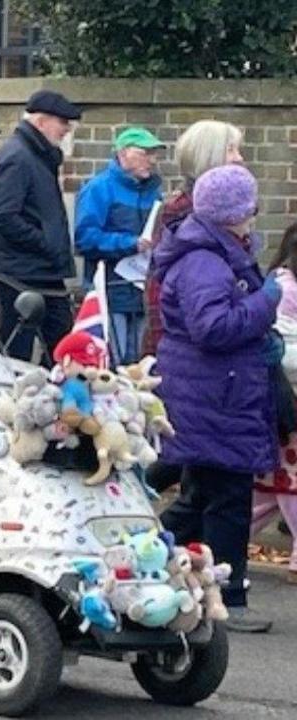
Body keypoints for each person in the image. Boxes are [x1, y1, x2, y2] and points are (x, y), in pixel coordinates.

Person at [152, 164, 278, 634]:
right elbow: (213, 328)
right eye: (249, 207)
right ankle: (229, 597)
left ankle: (143, 555)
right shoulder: (204, 260)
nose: (254, 215)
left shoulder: (210, 249)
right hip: (214, 392)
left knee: (202, 494)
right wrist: (266, 301)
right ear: (232, 213)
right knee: (226, 495)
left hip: (214, 390)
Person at [0, 90, 81, 361]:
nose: (66, 130)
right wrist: (45, 242)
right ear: (41, 122)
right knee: (21, 349)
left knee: (62, 348)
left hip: (42, 271)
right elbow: (2, 215)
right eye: (62, 122)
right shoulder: (18, 157)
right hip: (22, 273)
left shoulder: (37, 156)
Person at [142, 120, 245, 357]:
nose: (239, 158)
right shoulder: (183, 211)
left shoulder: (220, 208)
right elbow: (162, 287)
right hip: (193, 349)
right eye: (231, 150)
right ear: (208, 156)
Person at [75, 127, 164, 365]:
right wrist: (130, 243)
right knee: (113, 359)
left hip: (143, 289)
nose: (152, 160)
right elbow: (85, 238)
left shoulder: (155, 192)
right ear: (123, 154)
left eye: (154, 154)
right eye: (145, 153)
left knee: (140, 362)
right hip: (109, 291)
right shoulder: (98, 188)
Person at [257, 221, 297, 585]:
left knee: (273, 488)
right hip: (286, 399)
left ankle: (221, 539)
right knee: (288, 485)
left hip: (285, 397)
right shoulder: (284, 288)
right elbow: (284, 350)